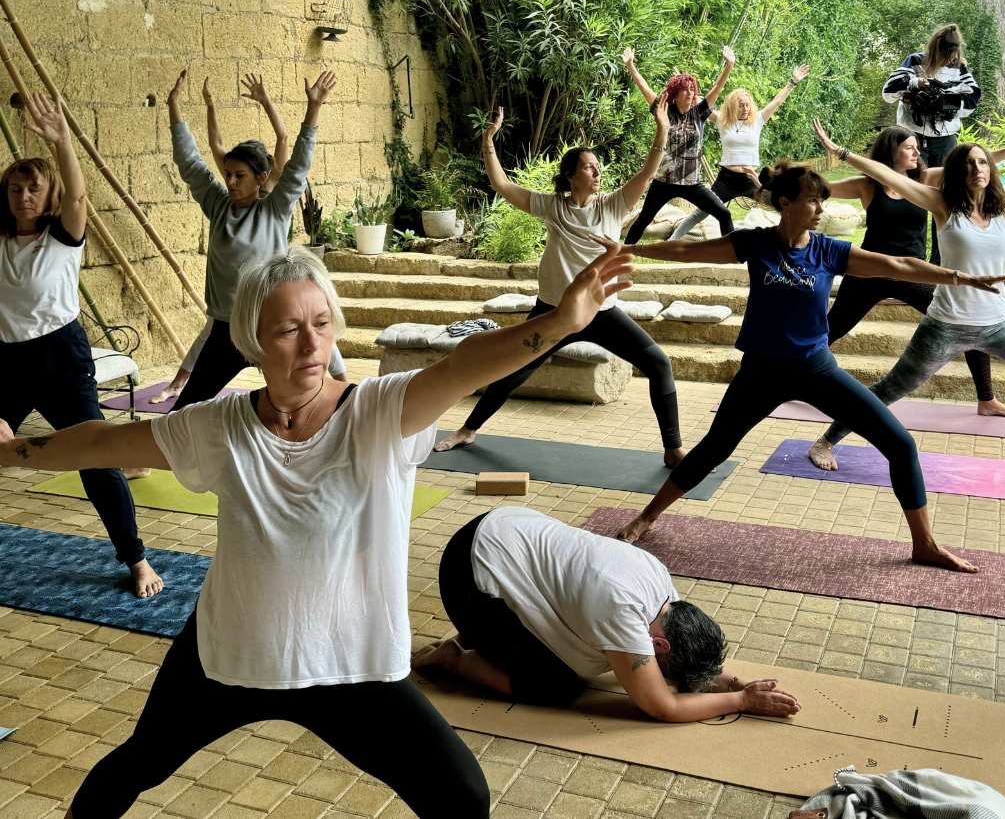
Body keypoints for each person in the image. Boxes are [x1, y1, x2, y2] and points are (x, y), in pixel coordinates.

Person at [0, 243, 641, 818]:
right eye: (287, 329)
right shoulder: (219, 427)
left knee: (462, 796)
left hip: (348, 663)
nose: (311, 344)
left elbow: (460, 367)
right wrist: (13, 453)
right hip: (231, 654)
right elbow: (102, 440)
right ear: (254, 337)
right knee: (136, 765)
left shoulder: (379, 411)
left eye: (321, 323)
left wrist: (557, 323)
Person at [607, 161, 1005, 571]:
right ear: (785, 203)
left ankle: (924, 544)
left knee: (900, 444)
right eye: (813, 200)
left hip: (816, 369)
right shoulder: (756, 244)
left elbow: (899, 265)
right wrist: (631, 249)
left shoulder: (829, 250)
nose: (820, 210)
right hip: (761, 373)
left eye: (823, 201)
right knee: (714, 448)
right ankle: (647, 517)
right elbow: (685, 250)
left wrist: (959, 278)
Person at [806, 120, 1005, 471]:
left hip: (998, 326)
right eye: (968, 164)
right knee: (890, 389)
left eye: (982, 162)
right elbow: (891, 178)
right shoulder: (943, 206)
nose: (977, 169)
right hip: (945, 326)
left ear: (990, 169)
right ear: (957, 175)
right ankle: (825, 441)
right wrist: (841, 152)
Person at [434, 98, 687, 467]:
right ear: (571, 175)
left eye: (598, 167)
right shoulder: (553, 206)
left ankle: (673, 449)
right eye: (589, 167)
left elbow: (648, 172)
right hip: (554, 313)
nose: (597, 172)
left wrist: (663, 128)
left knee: (659, 364)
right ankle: (468, 429)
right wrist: (489, 140)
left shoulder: (613, 206)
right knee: (512, 369)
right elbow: (502, 185)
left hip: (601, 312)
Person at [413, 506, 801, 723]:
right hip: (465, 573)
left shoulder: (663, 588)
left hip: (505, 525)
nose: (662, 675)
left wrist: (732, 682)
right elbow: (660, 706)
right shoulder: (623, 613)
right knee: (558, 687)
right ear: (658, 643)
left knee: (581, 654)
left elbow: (682, 672)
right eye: (663, 666)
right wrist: (741, 703)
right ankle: (455, 659)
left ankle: (496, 632)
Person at [0, 89, 162, 598]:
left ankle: (135, 558)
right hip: (6, 360)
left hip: (60, 359)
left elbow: (78, 198)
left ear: (46, 198)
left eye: (33, 189)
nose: (24, 197)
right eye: (15, 189)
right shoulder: (0, 240)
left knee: (94, 460)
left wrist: (63, 141)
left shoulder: (63, 239)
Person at [152, 74, 346, 406]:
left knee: (311, 397)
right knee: (187, 408)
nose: (229, 181)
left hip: (272, 324)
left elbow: (298, 166)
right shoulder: (218, 206)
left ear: (261, 178)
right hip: (228, 330)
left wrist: (313, 108)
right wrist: (174, 108)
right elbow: (190, 163)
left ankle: (344, 412)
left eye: (239, 175)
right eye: (227, 174)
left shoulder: (274, 210)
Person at [670, 63, 811, 240]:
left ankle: (801, 236)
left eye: (747, 105)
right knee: (701, 212)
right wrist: (686, 86)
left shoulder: (758, 120)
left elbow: (777, 101)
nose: (745, 109)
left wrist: (792, 82)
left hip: (751, 179)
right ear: (733, 107)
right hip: (726, 180)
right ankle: (671, 241)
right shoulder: (723, 120)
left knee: (782, 204)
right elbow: (703, 103)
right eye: (741, 105)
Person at [882, 23, 981, 263]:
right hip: (912, 141)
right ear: (935, 45)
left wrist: (946, 98)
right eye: (946, 49)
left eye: (953, 50)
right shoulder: (914, 61)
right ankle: (909, 262)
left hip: (946, 142)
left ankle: (941, 265)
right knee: (910, 199)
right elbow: (888, 91)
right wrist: (917, 85)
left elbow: (972, 99)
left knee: (947, 200)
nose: (949, 55)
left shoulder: (960, 68)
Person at [622, 45, 737, 244]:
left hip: (691, 184)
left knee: (724, 214)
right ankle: (622, 255)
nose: (691, 93)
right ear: (676, 93)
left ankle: (732, 254)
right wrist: (631, 66)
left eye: (693, 89)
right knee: (643, 221)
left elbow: (717, 88)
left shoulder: (700, 112)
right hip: (663, 182)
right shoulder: (665, 109)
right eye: (686, 89)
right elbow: (645, 89)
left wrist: (729, 65)